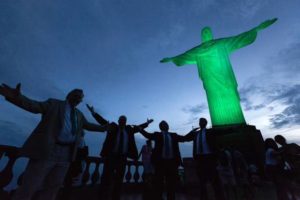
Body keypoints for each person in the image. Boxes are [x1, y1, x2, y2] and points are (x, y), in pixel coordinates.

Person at [0, 83, 108, 200]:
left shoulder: (79, 114)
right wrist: (17, 97)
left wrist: (104, 128)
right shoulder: (54, 104)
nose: (78, 99)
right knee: (30, 185)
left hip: (67, 154)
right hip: (48, 150)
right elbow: (35, 106)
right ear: (68, 95)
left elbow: (88, 125)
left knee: (53, 187)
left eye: (80, 98)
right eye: (76, 96)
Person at [86, 104, 153, 200]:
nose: (122, 121)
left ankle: (115, 197)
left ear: (126, 122)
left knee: (119, 179)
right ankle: (102, 196)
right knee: (106, 178)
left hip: (122, 158)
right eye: (121, 120)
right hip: (111, 157)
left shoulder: (129, 129)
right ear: (118, 121)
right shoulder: (113, 127)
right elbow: (102, 122)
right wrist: (93, 113)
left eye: (124, 120)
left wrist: (147, 123)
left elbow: (138, 127)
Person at [139, 120, 185, 200]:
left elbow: (184, 138)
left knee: (171, 185)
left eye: (166, 124)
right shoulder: (157, 134)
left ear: (168, 126)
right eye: (163, 124)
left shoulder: (174, 135)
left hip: (171, 163)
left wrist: (193, 133)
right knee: (158, 184)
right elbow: (147, 135)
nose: (165, 125)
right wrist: (140, 129)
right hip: (160, 163)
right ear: (161, 127)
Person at [181, 118, 224, 200]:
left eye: (203, 121)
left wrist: (234, 129)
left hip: (210, 158)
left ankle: (219, 197)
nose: (201, 123)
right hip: (199, 159)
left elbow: (221, 131)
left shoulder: (210, 131)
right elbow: (184, 138)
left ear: (206, 123)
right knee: (202, 182)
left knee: (215, 182)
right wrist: (191, 132)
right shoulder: (195, 134)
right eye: (200, 122)